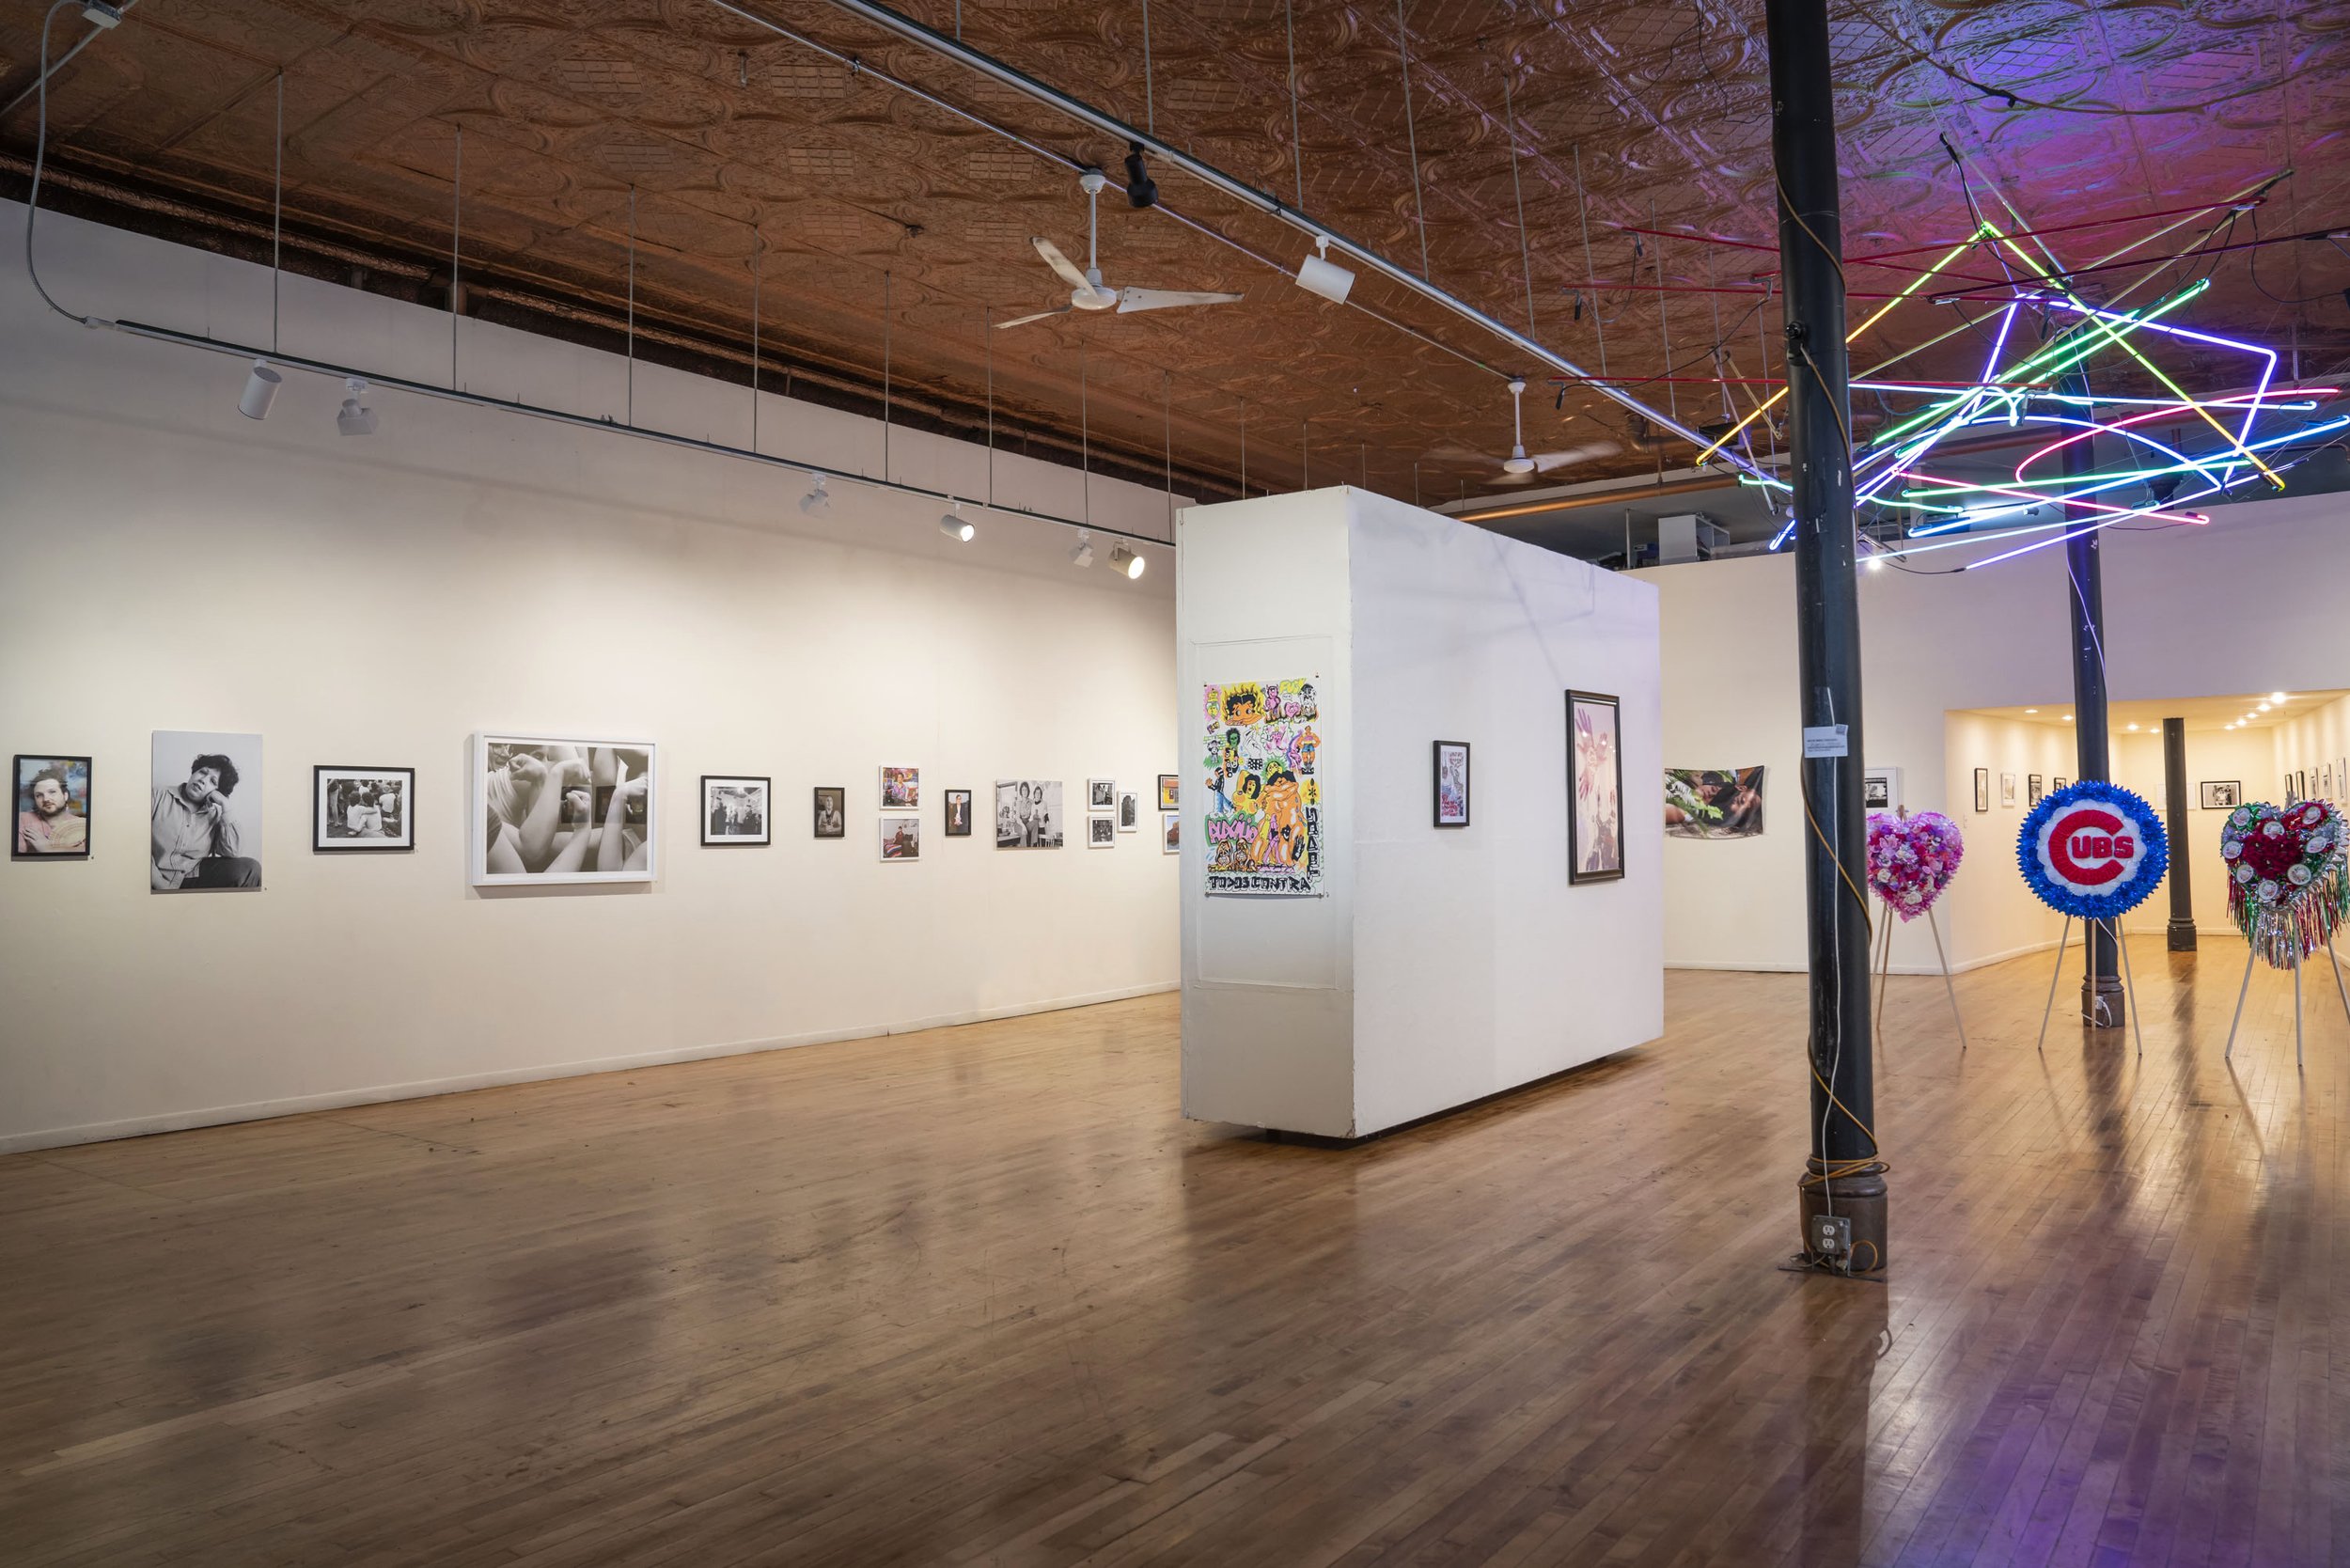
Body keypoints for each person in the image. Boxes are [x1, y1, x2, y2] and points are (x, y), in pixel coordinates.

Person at [152, 753, 259, 889]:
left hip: (189, 878)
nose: (203, 780)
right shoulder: (158, 795)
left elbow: (233, 852)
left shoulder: (215, 816)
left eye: (213, 781)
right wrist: (159, 884)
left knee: (251, 869)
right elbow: (137, 846)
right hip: (152, 877)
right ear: (193, 773)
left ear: (217, 791)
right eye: (202, 772)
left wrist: (226, 806)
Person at [18, 766, 86, 855]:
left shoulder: (83, 825)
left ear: (65, 796)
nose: (46, 799)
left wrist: (48, 849)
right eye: (39, 795)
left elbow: (91, 853)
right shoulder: (22, 819)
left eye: (52, 792)